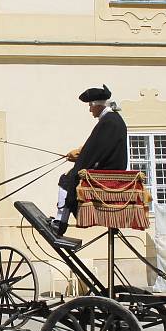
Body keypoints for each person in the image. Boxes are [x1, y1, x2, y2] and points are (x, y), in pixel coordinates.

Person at [50, 84, 128, 236]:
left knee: (67, 179)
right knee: (70, 176)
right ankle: (60, 221)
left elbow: (94, 150)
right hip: (110, 167)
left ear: (96, 105)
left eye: (90, 106)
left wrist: (79, 157)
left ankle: (60, 222)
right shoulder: (112, 120)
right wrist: (79, 153)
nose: (90, 110)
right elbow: (96, 147)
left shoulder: (108, 122)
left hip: (107, 171)